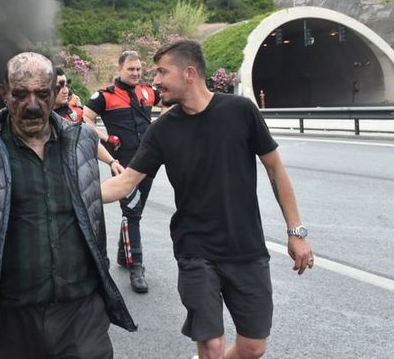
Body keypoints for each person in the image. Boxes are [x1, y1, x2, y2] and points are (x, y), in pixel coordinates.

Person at [101, 39, 315, 359]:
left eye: (161, 71)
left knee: (253, 347)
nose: (154, 80)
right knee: (211, 345)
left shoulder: (240, 111)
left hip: (245, 248)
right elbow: (125, 183)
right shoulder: (162, 131)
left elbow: (275, 170)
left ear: (189, 73)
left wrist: (295, 231)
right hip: (195, 250)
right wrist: (70, 192)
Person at [0, 52, 136, 359]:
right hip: (12, 317)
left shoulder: (82, 141)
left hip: (81, 311)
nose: (32, 105)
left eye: (42, 94)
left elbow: (93, 216)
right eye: (20, 94)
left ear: (55, 93)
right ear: (4, 94)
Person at [83, 50, 161, 293]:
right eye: (131, 69)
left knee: (135, 211)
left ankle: (123, 254)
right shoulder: (105, 96)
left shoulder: (148, 92)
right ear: (120, 69)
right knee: (132, 211)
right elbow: (85, 118)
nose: (136, 73)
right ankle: (136, 266)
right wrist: (105, 137)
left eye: (138, 69)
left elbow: (172, 99)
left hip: (149, 162)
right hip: (123, 164)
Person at [54, 67, 123, 175]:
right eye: (60, 86)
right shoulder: (36, 121)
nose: (66, 90)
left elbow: (90, 141)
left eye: (66, 85)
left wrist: (112, 162)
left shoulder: (75, 115)